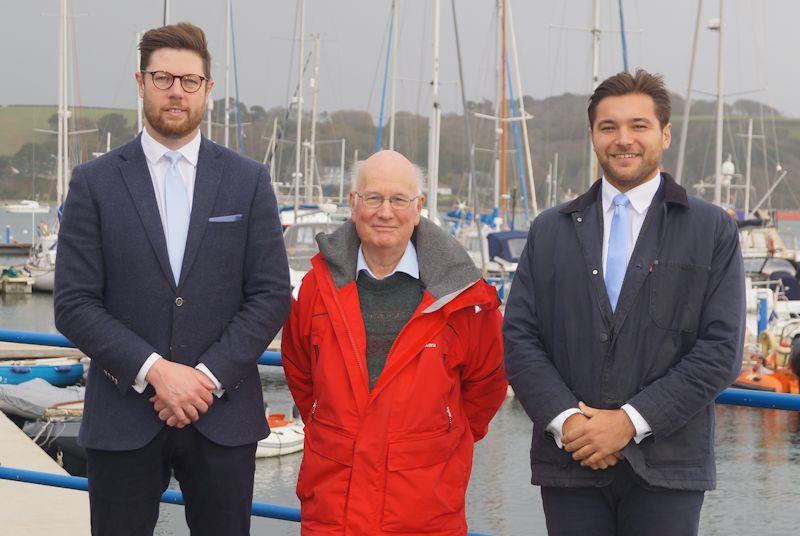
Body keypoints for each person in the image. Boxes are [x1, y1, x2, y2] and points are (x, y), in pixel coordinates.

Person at [54, 22, 290, 535]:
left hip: (222, 416)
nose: (176, 91)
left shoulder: (248, 181)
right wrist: (157, 372)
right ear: (141, 83)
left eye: (189, 80)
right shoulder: (94, 183)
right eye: (163, 78)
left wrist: (203, 379)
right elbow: (74, 303)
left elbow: (271, 295)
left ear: (208, 89)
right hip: (123, 415)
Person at [503, 69, 745, 535]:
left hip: (669, 466)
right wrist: (568, 422)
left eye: (639, 125)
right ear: (593, 135)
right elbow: (520, 337)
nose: (623, 140)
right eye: (608, 127)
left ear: (665, 134)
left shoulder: (712, 230)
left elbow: (721, 349)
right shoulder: (550, 230)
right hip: (570, 462)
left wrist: (630, 423)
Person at [282, 150, 507, 535]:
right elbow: (300, 372)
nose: (385, 212)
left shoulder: (466, 298)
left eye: (399, 200)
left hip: (424, 510)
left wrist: (438, 435)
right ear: (354, 205)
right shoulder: (315, 290)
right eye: (373, 198)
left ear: (417, 208)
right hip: (334, 507)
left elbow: (486, 387)